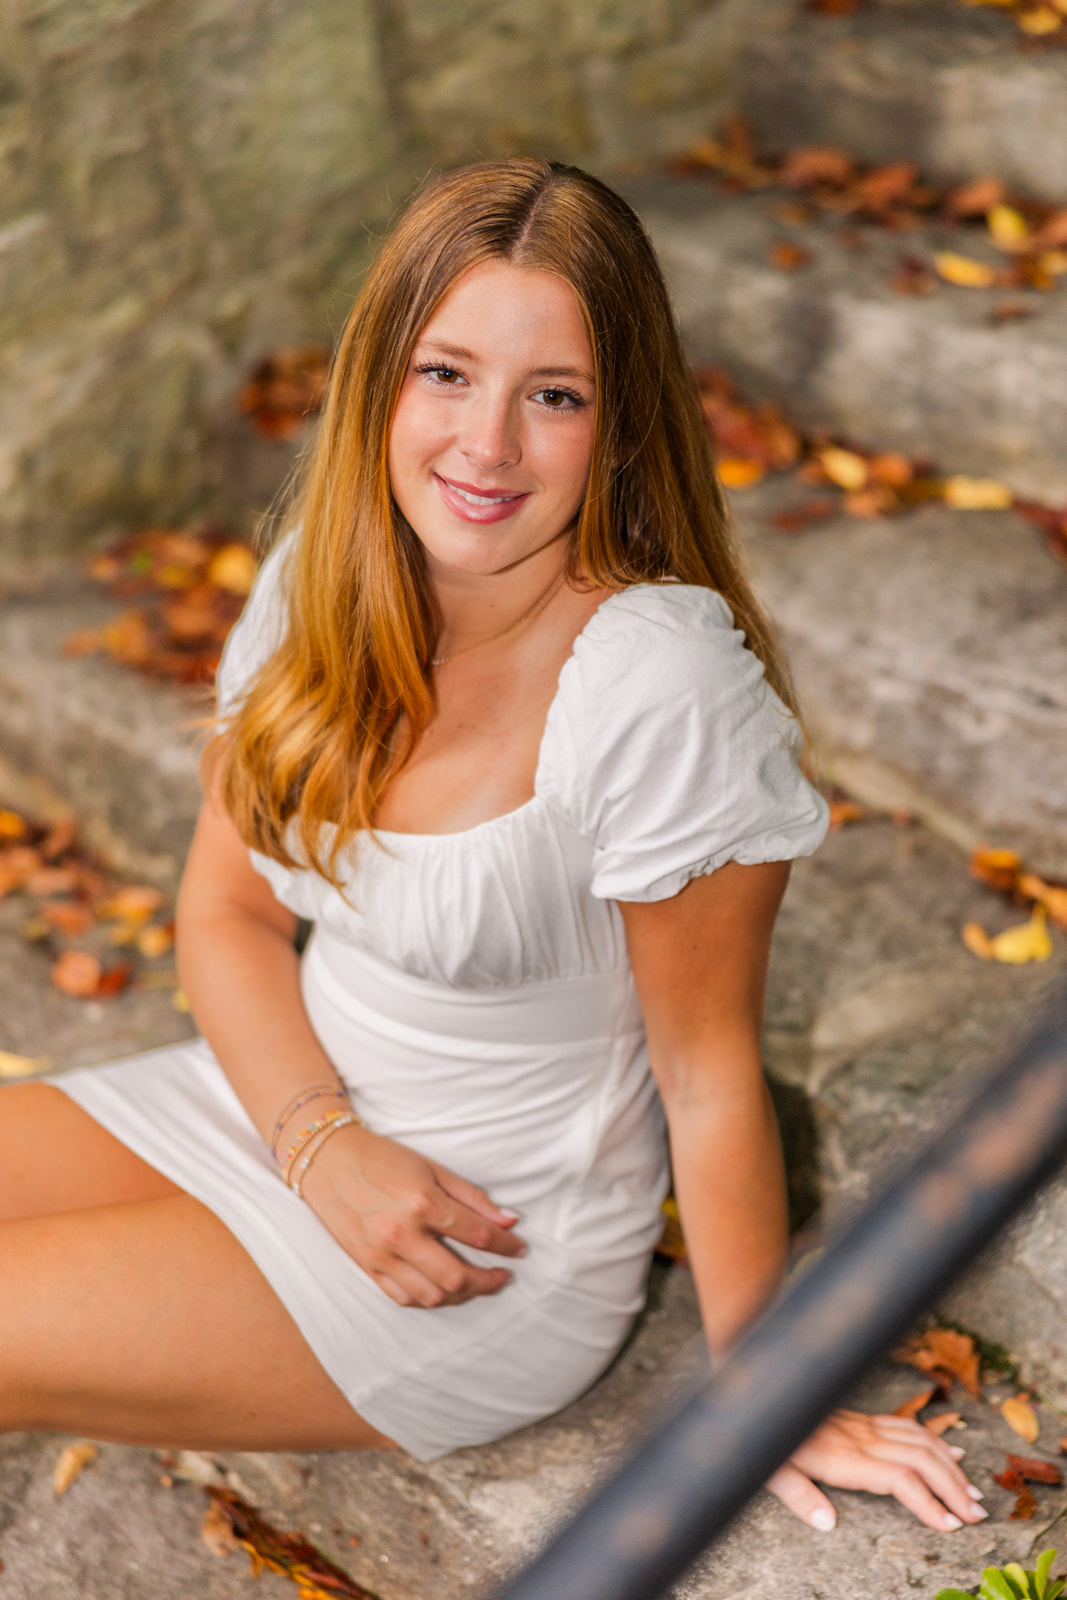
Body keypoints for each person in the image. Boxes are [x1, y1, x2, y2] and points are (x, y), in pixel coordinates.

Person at [1, 158, 986, 1538]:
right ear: (379, 379)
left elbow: (708, 1079)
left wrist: (769, 1387)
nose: (487, 446)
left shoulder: (656, 685)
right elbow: (223, 912)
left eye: (556, 395)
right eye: (447, 373)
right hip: (278, 1102)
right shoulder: (320, 581)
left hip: (483, 1247)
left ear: (622, 427)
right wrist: (316, 1141)